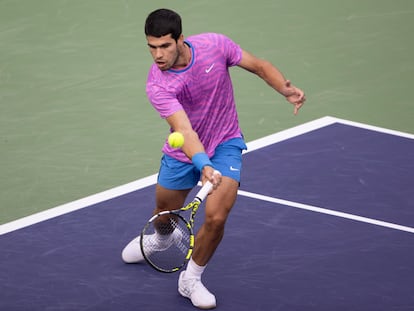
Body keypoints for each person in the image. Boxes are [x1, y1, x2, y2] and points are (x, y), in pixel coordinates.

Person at [121, 8, 306, 309]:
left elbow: (259, 66)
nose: (158, 55)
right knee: (164, 213)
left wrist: (285, 89)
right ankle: (163, 238)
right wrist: (203, 164)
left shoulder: (214, 46)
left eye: (164, 46)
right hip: (184, 153)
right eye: (151, 47)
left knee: (217, 216)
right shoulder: (158, 84)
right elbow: (185, 131)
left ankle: (190, 279)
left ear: (180, 39)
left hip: (225, 144)